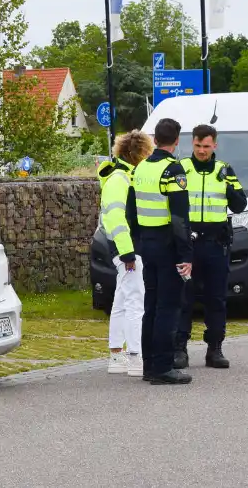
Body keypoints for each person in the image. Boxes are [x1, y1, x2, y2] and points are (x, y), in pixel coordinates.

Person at [173, 124, 247, 370]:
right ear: (191, 143)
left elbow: (239, 205)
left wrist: (227, 186)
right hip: (188, 244)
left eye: (206, 146)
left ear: (215, 145)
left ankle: (215, 348)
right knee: (184, 298)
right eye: (197, 146)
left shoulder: (224, 170)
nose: (202, 151)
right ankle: (179, 349)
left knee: (216, 298)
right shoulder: (181, 168)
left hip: (215, 243)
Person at [132, 118, 194, 385]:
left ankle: (148, 366)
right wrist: (186, 256)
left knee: (151, 306)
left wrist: (138, 243)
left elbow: (130, 210)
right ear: (177, 140)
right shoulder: (173, 170)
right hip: (168, 244)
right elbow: (180, 218)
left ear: (155, 139)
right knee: (168, 307)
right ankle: (163, 367)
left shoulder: (140, 168)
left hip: (147, 243)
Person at [100, 130, 155, 377]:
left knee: (122, 300)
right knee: (135, 300)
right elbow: (116, 218)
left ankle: (117, 355)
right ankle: (135, 357)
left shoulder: (120, 176)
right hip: (128, 248)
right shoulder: (121, 179)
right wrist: (128, 253)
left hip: (124, 248)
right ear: (140, 154)